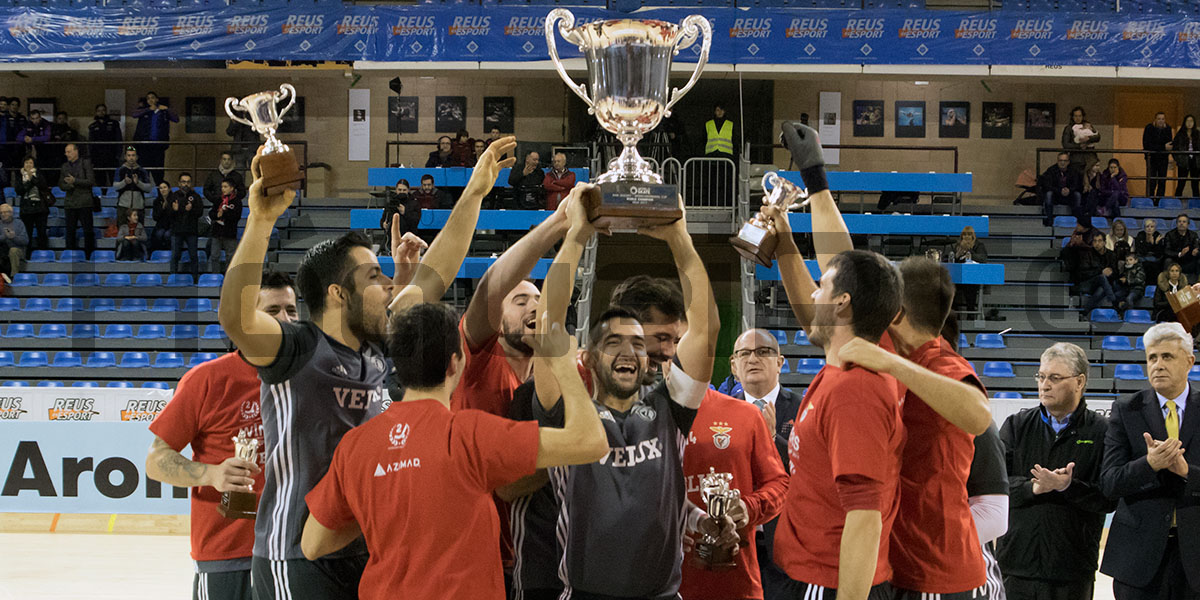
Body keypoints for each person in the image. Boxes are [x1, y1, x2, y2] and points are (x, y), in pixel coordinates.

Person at [219, 136, 516, 599]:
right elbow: (236, 318)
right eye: (373, 277)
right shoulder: (297, 347)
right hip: (295, 555)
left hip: (366, 547)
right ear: (339, 294)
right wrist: (260, 220)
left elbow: (436, 271)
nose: (386, 285)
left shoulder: (381, 346)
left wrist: (475, 192)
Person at [301, 293, 608, 600]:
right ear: (454, 363)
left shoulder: (355, 446)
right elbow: (590, 441)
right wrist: (563, 364)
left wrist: (382, 513)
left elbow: (313, 545)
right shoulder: (469, 434)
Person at [532, 187, 719, 600]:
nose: (629, 351)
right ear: (591, 353)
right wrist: (576, 237)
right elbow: (548, 328)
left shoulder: (670, 405)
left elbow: (705, 330)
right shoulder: (568, 408)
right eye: (614, 341)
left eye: (637, 343)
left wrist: (679, 238)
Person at [145, 271, 299, 600]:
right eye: (272, 311)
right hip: (229, 556)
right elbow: (156, 460)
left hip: (294, 554)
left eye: (291, 309)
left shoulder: (308, 377)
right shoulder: (207, 380)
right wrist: (210, 473)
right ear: (246, 319)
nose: (285, 319)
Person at [996, 342, 1112, 600]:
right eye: (1041, 376)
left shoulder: (1102, 431)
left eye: (1055, 378)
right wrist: (1032, 487)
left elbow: (1108, 497)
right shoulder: (1016, 425)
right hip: (1016, 565)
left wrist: (1068, 486)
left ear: (1079, 382)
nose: (1044, 385)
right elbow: (997, 485)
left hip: (1071, 569)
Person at [1101, 322, 1200, 599]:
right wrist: (1150, 464)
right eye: (1152, 358)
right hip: (1137, 561)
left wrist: (1186, 472)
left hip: (1194, 560)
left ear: (1189, 362)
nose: (1157, 365)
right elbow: (1109, 483)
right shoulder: (1125, 409)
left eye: (1167, 357)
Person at [680, 385, 788, 600]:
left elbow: (779, 484)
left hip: (736, 583)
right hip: (662, 584)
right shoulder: (644, 417)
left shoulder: (745, 414)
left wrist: (748, 508)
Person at [725, 327, 802, 598]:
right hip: (735, 541)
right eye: (744, 353)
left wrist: (772, 439)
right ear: (734, 366)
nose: (752, 359)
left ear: (780, 363)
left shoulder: (803, 409)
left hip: (786, 545)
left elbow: (810, 471)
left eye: (763, 352)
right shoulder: (721, 413)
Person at [59, 143, 95, 259]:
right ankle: (70, 256)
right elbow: (61, 184)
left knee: (88, 231)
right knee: (70, 232)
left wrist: (75, 181)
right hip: (70, 203)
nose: (66, 154)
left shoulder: (85, 163)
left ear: (76, 151)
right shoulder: (64, 166)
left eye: (68, 152)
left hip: (85, 203)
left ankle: (89, 256)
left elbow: (90, 181)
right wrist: (69, 185)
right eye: (65, 152)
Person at [131, 91, 178, 178]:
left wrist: (167, 109)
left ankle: (159, 189)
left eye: (152, 97)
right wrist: (148, 109)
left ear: (157, 99)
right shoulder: (144, 110)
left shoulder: (163, 111)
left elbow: (176, 119)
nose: (150, 100)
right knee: (144, 171)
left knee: (158, 172)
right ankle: (144, 189)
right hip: (144, 146)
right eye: (148, 98)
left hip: (158, 145)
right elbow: (134, 114)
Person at [168, 173, 204, 279]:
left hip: (191, 231)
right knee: (175, 256)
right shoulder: (173, 196)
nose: (186, 184)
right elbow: (168, 214)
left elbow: (200, 213)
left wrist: (191, 209)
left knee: (193, 256)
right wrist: (174, 210)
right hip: (176, 231)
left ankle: (195, 279)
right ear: (179, 183)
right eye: (183, 182)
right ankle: (173, 278)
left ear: (191, 183)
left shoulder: (196, 197)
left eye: (188, 182)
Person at [946, 225, 988, 311]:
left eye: (969, 234)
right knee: (950, 285)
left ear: (973, 236)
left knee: (970, 287)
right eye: (964, 235)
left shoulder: (979, 245)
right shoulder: (958, 246)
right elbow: (949, 261)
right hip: (958, 277)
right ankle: (954, 312)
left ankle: (971, 311)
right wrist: (957, 256)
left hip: (973, 277)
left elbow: (983, 259)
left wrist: (970, 252)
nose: (967, 237)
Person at [14, 155, 50, 251]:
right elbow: (19, 190)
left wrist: (32, 178)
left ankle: (43, 253)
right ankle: (27, 255)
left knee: (42, 232)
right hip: (26, 209)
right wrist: (29, 181)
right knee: (27, 233)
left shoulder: (39, 174)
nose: (28, 165)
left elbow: (43, 186)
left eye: (30, 163)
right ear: (23, 165)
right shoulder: (19, 176)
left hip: (40, 208)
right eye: (26, 163)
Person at [1078, 232, 1120, 314]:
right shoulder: (1087, 254)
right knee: (1101, 277)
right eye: (1095, 241)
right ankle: (1115, 303)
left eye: (1100, 241)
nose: (1097, 243)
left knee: (1101, 290)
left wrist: (1110, 273)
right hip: (1088, 284)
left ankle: (1084, 312)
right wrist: (1101, 272)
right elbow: (1083, 273)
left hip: (1105, 285)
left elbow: (1116, 273)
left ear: (1104, 242)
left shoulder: (1112, 255)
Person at [1039, 152, 1085, 226]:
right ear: (1057, 161)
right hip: (1056, 195)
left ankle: (1077, 220)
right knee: (1048, 194)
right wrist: (1060, 190)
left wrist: (1069, 190)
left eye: (1065, 161)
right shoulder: (1051, 170)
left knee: (1077, 195)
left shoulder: (1074, 171)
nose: (1062, 163)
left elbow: (1077, 185)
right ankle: (1049, 219)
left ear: (1069, 162)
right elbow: (1047, 185)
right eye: (1060, 160)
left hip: (1070, 195)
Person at [208, 178, 243, 275]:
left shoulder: (236, 201)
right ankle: (215, 276)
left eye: (225, 187)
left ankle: (229, 277)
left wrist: (223, 214)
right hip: (217, 232)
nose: (223, 189)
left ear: (231, 188)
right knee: (214, 256)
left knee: (230, 256)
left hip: (229, 232)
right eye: (222, 187)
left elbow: (236, 216)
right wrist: (217, 215)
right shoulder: (219, 200)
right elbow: (211, 213)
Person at [114, 146, 154, 226]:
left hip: (138, 206)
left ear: (137, 157)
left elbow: (149, 188)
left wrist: (138, 183)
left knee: (139, 232)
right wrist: (124, 182)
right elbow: (115, 186)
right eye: (129, 155)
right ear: (125, 157)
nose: (131, 158)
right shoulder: (120, 170)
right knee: (122, 231)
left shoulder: (142, 171)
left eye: (133, 155)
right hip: (123, 206)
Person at [88, 104, 123, 188]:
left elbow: (119, 139)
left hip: (111, 155)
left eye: (103, 110)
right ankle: (102, 195)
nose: (101, 112)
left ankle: (114, 195)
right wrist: (92, 157)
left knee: (113, 177)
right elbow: (91, 143)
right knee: (100, 178)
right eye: (99, 110)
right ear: (96, 112)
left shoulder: (114, 123)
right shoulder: (93, 126)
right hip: (98, 157)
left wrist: (118, 154)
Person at [380, 179, 420, 251]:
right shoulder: (391, 203)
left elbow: (415, 221)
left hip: (409, 236)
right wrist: (383, 224)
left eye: (404, 190)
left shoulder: (415, 203)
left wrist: (405, 212)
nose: (402, 192)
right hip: (392, 237)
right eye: (400, 190)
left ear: (408, 190)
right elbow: (383, 219)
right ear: (396, 190)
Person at [1062, 106, 1101, 174]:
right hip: (1076, 160)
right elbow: (1065, 144)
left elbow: (1097, 137)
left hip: (1090, 158)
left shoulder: (1087, 125)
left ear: (1083, 116)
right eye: (1076, 116)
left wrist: (1089, 138)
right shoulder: (1068, 128)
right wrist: (1079, 146)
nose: (1078, 118)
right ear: (1072, 117)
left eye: (1080, 116)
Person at [1145, 112, 1174, 198]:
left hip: (1163, 159)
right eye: (1159, 119)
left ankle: (1159, 201)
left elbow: (1169, 145)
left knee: (1162, 181)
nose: (1161, 121)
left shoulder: (1168, 129)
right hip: (1152, 159)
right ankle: (1149, 200)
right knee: (1152, 181)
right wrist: (1162, 147)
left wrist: (1160, 147)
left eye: (1163, 119)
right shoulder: (1149, 128)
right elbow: (1147, 145)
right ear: (1155, 120)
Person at [1166, 213, 1200, 279]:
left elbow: (1197, 248)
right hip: (1175, 259)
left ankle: (1196, 283)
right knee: (1167, 261)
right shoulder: (1170, 235)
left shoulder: (1193, 235)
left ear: (1188, 224)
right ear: (1176, 224)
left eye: (1184, 222)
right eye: (1179, 221)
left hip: (1189, 260)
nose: (1181, 223)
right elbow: (1166, 251)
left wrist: (1196, 252)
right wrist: (1180, 254)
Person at [17, 110, 51, 175]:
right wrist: (25, 139)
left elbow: (47, 137)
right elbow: (18, 136)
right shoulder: (28, 124)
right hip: (33, 151)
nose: (35, 121)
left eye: (37, 118)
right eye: (33, 119)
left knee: (45, 170)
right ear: (30, 119)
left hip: (47, 150)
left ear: (40, 117)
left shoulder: (46, 124)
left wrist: (32, 139)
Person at [0, 202, 28, 279]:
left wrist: (13, 237)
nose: (3, 214)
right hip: (2, 250)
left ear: (11, 213)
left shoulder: (19, 223)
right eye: (1, 212)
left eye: (5, 212)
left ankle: (14, 277)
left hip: (18, 250)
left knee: (13, 250)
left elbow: (25, 241)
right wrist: (5, 236)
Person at [1175, 115, 1200, 199]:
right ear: (1184, 122)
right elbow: (1174, 148)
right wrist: (1179, 160)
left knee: (1195, 183)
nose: (1189, 123)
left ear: (1194, 123)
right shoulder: (1180, 134)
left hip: (1195, 161)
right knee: (1181, 182)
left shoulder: (1198, 134)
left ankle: (1196, 202)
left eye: (1191, 121)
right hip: (1183, 161)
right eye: (1187, 121)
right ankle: (1177, 200)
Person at [1137, 217, 1166, 281]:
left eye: (1152, 226)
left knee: (1153, 265)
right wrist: (1149, 243)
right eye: (1147, 226)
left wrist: (1155, 243)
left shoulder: (1158, 235)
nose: (1149, 228)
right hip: (1143, 257)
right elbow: (1141, 251)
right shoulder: (1140, 235)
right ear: (1144, 228)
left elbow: (1158, 254)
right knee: (1145, 263)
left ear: (1155, 228)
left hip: (1155, 258)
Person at [150, 181, 174, 254]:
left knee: (167, 235)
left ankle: (169, 253)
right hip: (161, 225)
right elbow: (155, 217)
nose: (163, 190)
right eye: (160, 188)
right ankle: (158, 253)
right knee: (159, 234)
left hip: (172, 225)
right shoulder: (156, 201)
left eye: (164, 187)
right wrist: (162, 208)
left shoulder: (175, 200)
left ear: (169, 189)